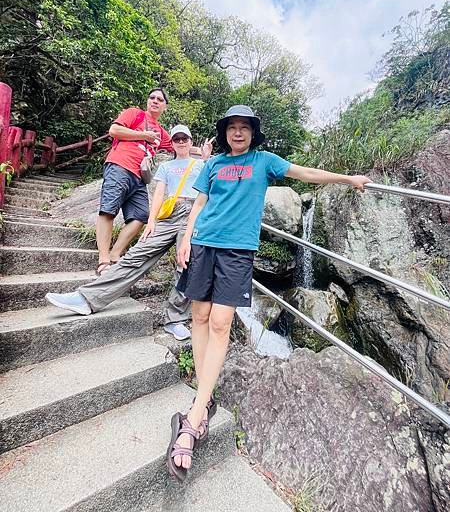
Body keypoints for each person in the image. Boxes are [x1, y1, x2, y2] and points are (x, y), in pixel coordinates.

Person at [166, 105, 371, 481]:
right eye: (232, 127)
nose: (238, 133)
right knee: (198, 316)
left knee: (221, 322)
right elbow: (199, 202)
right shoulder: (213, 165)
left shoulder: (264, 161)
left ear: (253, 132)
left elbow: (305, 173)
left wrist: (348, 179)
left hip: (237, 251)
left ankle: (194, 415)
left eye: (244, 128)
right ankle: (205, 393)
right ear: (225, 132)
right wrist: (185, 236)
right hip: (203, 244)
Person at [45, 125, 214, 341]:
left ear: (191, 142)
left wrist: (208, 160)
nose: (181, 142)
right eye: (176, 139)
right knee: (136, 255)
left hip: (193, 215)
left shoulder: (201, 164)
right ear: (171, 144)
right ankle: (87, 298)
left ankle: (175, 319)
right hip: (169, 216)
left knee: (187, 264)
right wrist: (151, 222)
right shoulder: (167, 167)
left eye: (185, 138)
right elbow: (160, 193)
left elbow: (209, 190)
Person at [95, 87, 173, 276]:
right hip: (120, 165)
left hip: (139, 177)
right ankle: (103, 260)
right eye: (152, 97)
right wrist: (143, 136)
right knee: (108, 210)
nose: (155, 101)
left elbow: (179, 146)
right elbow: (114, 130)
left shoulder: (161, 133)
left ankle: (115, 254)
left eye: (160, 99)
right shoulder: (135, 114)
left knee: (141, 215)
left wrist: (204, 153)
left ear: (165, 107)